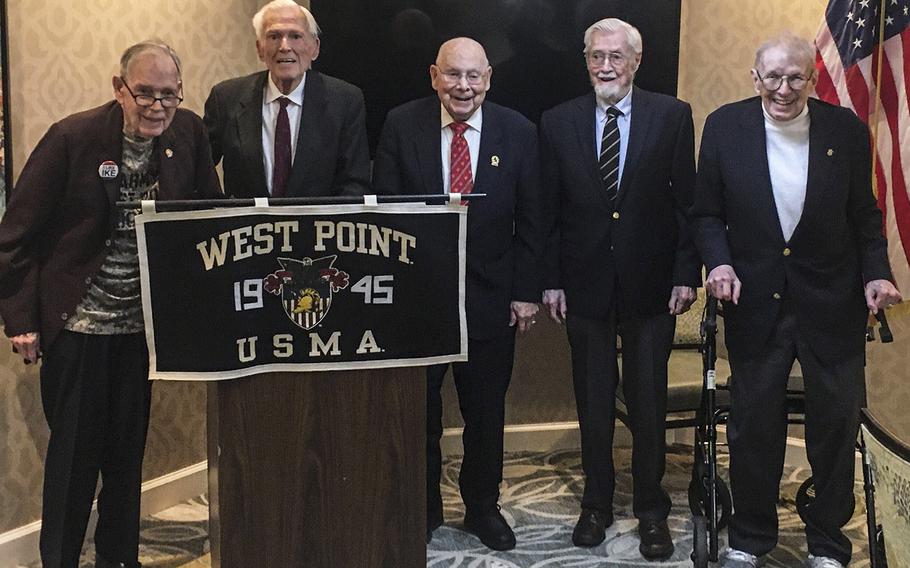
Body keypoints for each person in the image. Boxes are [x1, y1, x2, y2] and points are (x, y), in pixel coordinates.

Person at [0, 41, 222, 567]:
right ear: (118, 88)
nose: (157, 106)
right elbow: (16, 236)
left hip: (140, 333)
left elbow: (209, 215)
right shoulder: (73, 138)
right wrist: (21, 321)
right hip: (77, 329)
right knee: (75, 459)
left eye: (169, 94)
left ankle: (118, 557)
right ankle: (59, 558)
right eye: (144, 93)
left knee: (126, 457)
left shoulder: (187, 132)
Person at [691, 33, 901, 568]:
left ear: (813, 79)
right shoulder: (725, 127)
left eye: (795, 78)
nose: (783, 89)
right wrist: (717, 262)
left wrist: (875, 274)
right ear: (754, 76)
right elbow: (706, 214)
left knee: (834, 428)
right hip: (755, 302)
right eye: (772, 77)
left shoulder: (847, 132)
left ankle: (829, 543)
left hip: (832, 303)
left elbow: (865, 218)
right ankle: (750, 536)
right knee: (753, 426)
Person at [372, 37, 542, 551]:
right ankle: (421, 508)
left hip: (492, 297)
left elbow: (533, 220)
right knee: (417, 411)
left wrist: (525, 293)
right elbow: (383, 211)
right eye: (452, 74)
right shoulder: (402, 125)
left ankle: (482, 507)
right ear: (433, 76)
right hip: (418, 296)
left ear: (488, 78)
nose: (463, 86)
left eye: (473, 76)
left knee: (485, 413)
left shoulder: (518, 131)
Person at [538, 17, 699, 560]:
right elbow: (548, 211)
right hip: (582, 285)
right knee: (593, 401)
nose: (604, 66)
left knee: (648, 403)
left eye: (615, 57)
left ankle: (652, 509)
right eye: (595, 57)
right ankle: (597, 503)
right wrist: (552, 279)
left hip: (654, 286)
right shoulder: (557, 121)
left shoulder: (673, 116)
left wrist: (685, 273)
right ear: (585, 61)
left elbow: (686, 206)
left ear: (636, 61)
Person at [204, 0, 370, 198]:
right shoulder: (225, 98)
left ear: (314, 48)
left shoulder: (345, 101)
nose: (284, 46)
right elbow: (197, 168)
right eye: (274, 36)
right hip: (247, 228)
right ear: (260, 49)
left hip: (316, 226)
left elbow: (354, 184)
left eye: (295, 36)